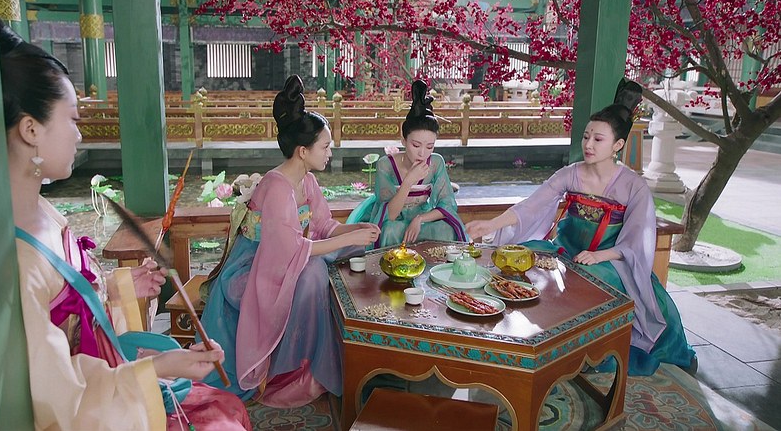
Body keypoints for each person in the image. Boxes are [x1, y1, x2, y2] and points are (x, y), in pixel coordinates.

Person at [0, 18, 251, 430]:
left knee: (227, 407)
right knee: (222, 417)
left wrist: (120, 286)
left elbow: (68, 306)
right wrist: (160, 367)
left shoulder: (43, 211)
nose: (80, 135)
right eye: (73, 119)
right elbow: (63, 405)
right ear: (30, 129)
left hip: (108, 373)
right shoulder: (17, 260)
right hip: (96, 403)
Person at [466, 79, 696, 376]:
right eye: (587, 136)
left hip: (610, 259)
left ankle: (589, 352)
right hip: (565, 250)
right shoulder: (571, 174)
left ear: (617, 145)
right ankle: (527, 339)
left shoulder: (633, 186)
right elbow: (532, 205)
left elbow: (637, 239)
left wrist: (600, 255)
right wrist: (490, 223)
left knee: (593, 278)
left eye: (598, 139)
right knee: (521, 256)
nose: (588, 144)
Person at [199, 75, 381, 407]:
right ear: (303, 151)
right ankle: (289, 372)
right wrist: (351, 236)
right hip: (255, 266)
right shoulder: (276, 187)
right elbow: (291, 250)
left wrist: (354, 231)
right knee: (313, 274)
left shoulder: (307, 181)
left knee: (353, 249)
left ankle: (342, 347)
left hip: (286, 257)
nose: (330, 152)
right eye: (325, 146)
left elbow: (323, 225)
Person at [347, 79, 468, 248]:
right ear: (403, 140)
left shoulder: (436, 162)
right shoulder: (386, 165)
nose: (422, 153)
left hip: (422, 220)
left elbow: (447, 204)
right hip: (396, 220)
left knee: (445, 230)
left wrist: (420, 219)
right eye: (416, 145)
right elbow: (390, 215)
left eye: (429, 147)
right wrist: (409, 181)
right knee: (390, 230)